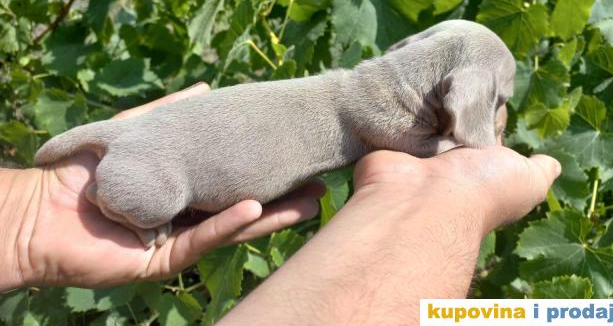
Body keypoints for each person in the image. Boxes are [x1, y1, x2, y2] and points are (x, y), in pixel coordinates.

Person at [0, 84, 560, 325]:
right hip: (147, 174)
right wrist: (451, 201)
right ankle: (117, 200)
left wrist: (25, 218)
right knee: (148, 200)